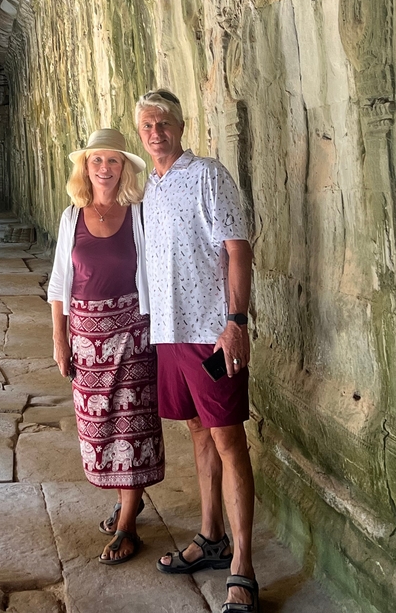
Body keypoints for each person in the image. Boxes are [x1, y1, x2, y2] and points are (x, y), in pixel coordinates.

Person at [135, 89, 258, 613]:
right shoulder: (152, 190)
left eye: (164, 122)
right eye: (147, 125)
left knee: (229, 438)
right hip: (170, 332)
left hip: (210, 333)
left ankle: (243, 568)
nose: (156, 131)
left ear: (180, 127)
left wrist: (234, 323)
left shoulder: (207, 175)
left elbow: (238, 250)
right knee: (197, 430)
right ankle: (211, 537)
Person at [48, 128, 165, 565]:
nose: (104, 169)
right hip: (86, 335)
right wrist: (59, 338)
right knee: (101, 426)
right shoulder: (71, 217)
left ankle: (129, 521)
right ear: (85, 167)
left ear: (124, 168)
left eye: (112, 161)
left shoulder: (138, 213)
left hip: (133, 333)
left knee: (131, 424)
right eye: (96, 161)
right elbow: (60, 283)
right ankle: (124, 500)